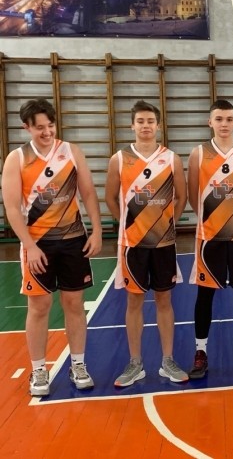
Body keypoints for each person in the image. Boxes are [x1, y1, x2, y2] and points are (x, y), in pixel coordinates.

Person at [1, 99, 102, 396]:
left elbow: (88, 192)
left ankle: (78, 364)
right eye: (40, 128)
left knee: (74, 304)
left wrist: (97, 231)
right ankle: (38, 370)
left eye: (51, 126)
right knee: (39, 306)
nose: (47, 132)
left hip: (73, 240)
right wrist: (29, 246)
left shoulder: (71, 152)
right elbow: (11, 207)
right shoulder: (17, 159)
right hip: (37, 244)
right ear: (27, 127)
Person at [105, 100, 189, 386]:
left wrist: (168, 223)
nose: (145, 126)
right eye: (140, 121)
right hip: (132, 245)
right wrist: (128, 224)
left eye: (150, 121)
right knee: (134, 301)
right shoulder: (119, 159)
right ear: (132, 125)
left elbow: (181, 196)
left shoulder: (171, 158)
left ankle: (167, 361)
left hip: (164, 243)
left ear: (158, 125)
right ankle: (135, 363)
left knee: (164, 300)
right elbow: (109, 197)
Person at [187, 100, 233, 379]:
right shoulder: (198, 154)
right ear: (210, 122)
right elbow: (193, 195)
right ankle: (200, 351)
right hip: (209, 237)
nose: (224, 124)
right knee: (204, 295)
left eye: (229, 119)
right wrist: (214, 219)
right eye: (219, 119)